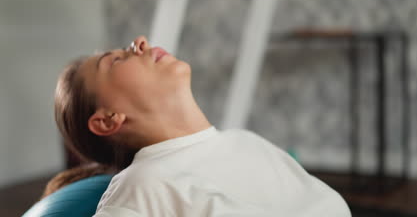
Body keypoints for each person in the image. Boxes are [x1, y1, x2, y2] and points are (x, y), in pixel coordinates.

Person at [53, 35, 351, 216]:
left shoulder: (246, 141)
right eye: (115, 60)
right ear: (107, 120)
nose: (140, 41)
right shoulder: (144, 183)